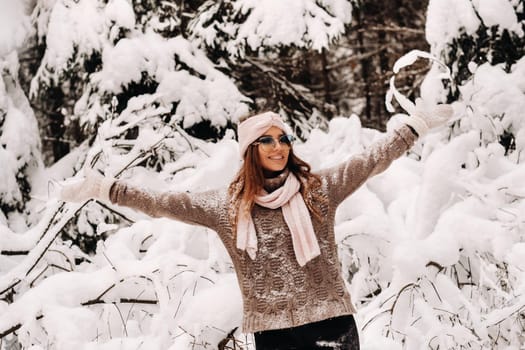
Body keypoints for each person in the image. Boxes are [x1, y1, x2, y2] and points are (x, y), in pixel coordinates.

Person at [60, 101, 453, 350]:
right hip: (272, 334)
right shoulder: (227, 207)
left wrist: (414, 126)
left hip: (331, 324)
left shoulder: (317, 191)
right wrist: (103, 187)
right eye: (267, 141)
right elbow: (162, 202)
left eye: (283, 138)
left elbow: (370, 160)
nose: (279, 146)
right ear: (250, 150)